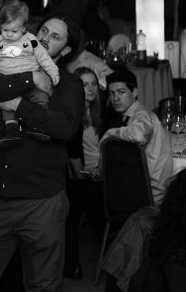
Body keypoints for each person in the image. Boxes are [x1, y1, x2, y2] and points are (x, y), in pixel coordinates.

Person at [0, 14, 85, 291]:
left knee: (43, 285)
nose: (45, 37)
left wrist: (19, 106)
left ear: (65, 51)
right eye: (43, 30)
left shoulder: (68, 83)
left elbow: (65, 127)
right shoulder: (1, 62)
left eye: (55, 36)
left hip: (42, 202)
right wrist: (29, 78)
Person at [0, 1, 59, 147]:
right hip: (7, 80)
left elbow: (44, 58)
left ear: (24, 28)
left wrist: (53, 72)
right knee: (7, 106)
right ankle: (11, 131)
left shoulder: (31, 41)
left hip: (31, 79)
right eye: (5, 30)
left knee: (40, 98)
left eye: (14, 31)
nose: (9, 34)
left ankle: (38, 127)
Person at [101, 68, 172, 206]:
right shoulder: (130, 115)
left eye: (121, 92)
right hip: (141, 189)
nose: (116, 98)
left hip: (150, 196)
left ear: (134, 92)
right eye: (112, 93)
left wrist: (111, 133)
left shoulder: (142, 114)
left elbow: (138, 135)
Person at [64, 67, 106, 279]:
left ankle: (72, 265)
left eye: (93, 84)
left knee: (90, 207)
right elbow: (72, 150)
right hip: (80, 175)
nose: (90, 89)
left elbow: (104, 147)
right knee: (84, 201)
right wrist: (83, 175)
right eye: (84, 85)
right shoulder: (74, 112)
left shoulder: (100, 111)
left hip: (99, 173)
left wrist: (100, 171)